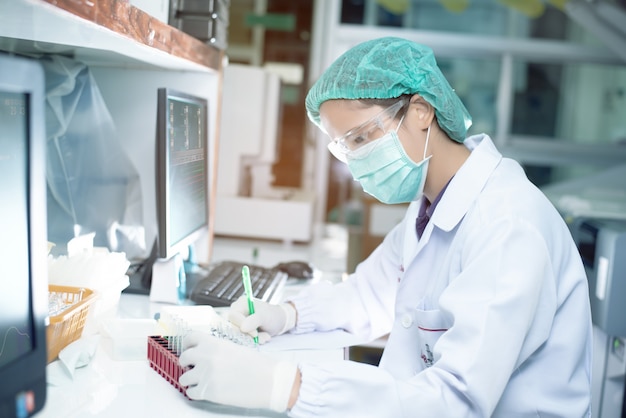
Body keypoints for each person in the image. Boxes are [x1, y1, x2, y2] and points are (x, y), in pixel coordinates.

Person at [178, 36, 593, 417]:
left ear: (420, 111)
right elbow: (368, 296)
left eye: (360, 139)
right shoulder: (432, 206)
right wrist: (287, 315)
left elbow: (456, 401)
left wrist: (286, 387)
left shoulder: (506, 228)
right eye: (344, 148)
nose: (356, 162)